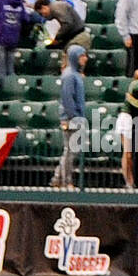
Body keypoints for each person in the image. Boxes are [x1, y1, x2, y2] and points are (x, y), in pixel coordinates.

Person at [50, 44, 88, 191]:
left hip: (76, 117)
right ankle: (66, 181)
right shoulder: (69, 75)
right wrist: (72, 117)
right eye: (82, 56)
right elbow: (67, 98)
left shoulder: (75, 74)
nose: (85, 59)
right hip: (72, 119)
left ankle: (57, 178)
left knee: (71, 151)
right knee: (70, 152)